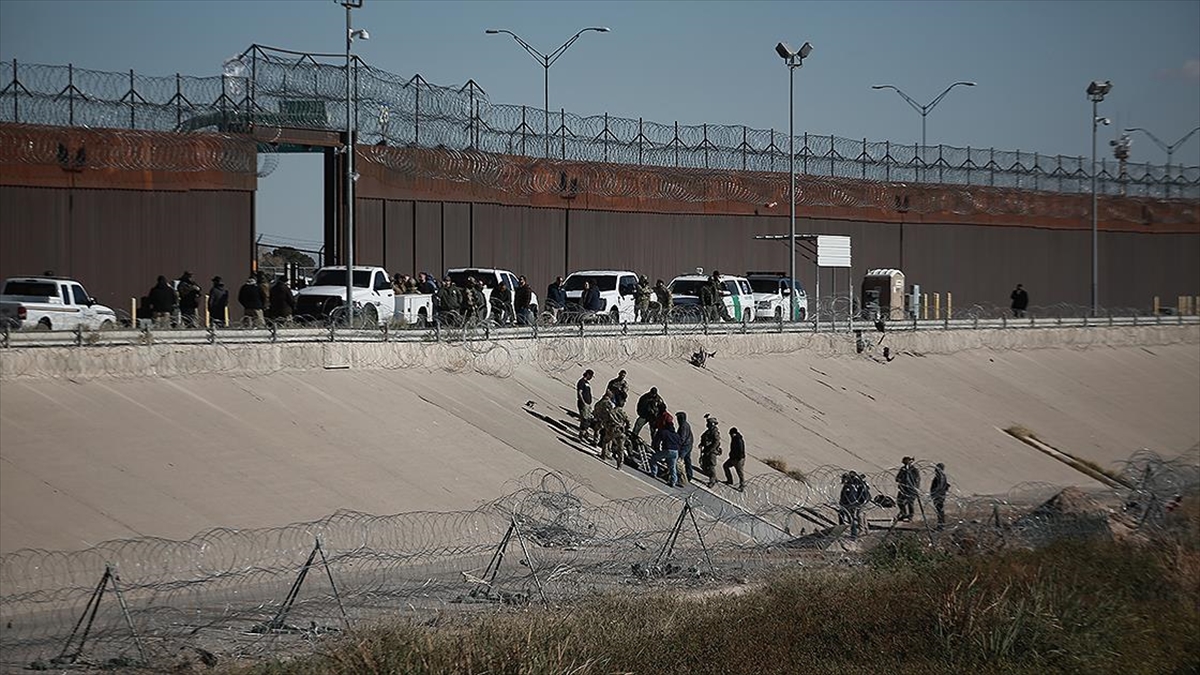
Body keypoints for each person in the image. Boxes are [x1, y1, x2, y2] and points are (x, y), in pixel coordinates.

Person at [651, 421, 683, 487]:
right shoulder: (676, 435)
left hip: (668, 450)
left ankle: (653, 473)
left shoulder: (664, 432)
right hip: (675, 452)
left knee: (654, 458)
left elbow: (657, 441)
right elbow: (680, 443)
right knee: (672, 466)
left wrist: (656, 448)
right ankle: (673, 481)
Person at [839, 472, 871, 538]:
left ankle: (859, 531)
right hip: (862, 501)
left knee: (859, 515)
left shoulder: (850, 486)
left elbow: (850, 496)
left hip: (858, 502)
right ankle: (866, 530)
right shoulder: (858, 484)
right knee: (862, 515)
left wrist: (851, 504)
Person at [698, 415, 723, 487]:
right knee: (705, 465)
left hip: (712, 452)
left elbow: (716, 442)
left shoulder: (715, 432)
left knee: (711, 466)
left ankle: (712, 481)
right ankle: (713, 477)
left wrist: (710, 449)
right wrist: (702, 444)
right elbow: (704, 438)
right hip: (707, 450)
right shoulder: (709, 431)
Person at [895, 456, 920, 522]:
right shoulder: (902, 469)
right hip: (903, 489)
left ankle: (910, 516)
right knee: (899, 501)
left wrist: (915, 488)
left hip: (911, 489)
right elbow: (897, 478)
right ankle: (904, 514)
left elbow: (917, 480)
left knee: (910, 503)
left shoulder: (914, 470)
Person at [593, 391, 616, 459]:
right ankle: (607, 452)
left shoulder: (600, 402)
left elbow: (596, 408)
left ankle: (595, 441)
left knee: (597, 430)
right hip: (606, 421)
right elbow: (611, 412)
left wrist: (596, 415)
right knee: (608, 437)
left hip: (599, 418)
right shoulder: (609, 403)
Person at [723, 426, 746, 490]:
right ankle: (730, 480)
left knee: (739, 472)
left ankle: (742, 485)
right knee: (725, 466)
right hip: (733, 458)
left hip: (738, 459)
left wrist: (738, 458)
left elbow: (740, 450)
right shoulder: (734, 438)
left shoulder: (738, 440)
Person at [576, 369, 595, 444]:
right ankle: (581, 435)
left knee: (588, 419)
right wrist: (583, 402)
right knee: (584, 419)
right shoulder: (581, 382)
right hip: (583, 403)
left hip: (588, 404)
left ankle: (584, 434)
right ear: (587, 374)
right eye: (590, 376)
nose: (591, 378)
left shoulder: (587, 383)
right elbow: (580, 392)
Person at [676, 411, 695, 484]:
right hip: (689, 444)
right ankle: (689, 475)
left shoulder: (683, 426)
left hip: (685, 446)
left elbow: (682, 437)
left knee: (679, 460)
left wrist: (678, 445)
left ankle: (682, 478)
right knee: (687, 460)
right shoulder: (686, 424)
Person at [930, 462, 950, 528]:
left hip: (938, 496)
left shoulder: (940, 476)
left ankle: (941, 525)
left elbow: (940, 486)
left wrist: (934, 493)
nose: (935, 469)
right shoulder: (942, 476)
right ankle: (941, 524)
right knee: (939, 510)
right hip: (940, 495)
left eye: (937, 468)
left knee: (939, 510)